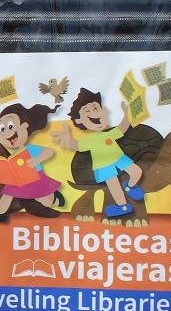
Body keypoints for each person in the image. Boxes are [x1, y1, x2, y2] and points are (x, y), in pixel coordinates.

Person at [53, 87, 145, 218]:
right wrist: (68, 140)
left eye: (95, 109)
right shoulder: (90, 140)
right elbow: (77, 146)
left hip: (119, 157)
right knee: (114, 187)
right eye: (87, 112)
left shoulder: (108, 134)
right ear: (79, 120)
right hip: (103, 166)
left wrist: (126, 115)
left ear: (104, 110)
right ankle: (123, 206)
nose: (94, 113)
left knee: (137, 172)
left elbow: (121, 129)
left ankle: (130, 186)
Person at [0, 102, 61, 223]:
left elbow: (49, 151)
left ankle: (56, 199)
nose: (6, 132)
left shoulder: (30, 149)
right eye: (2, 129)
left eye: (10, 126)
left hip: (35, 179)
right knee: (6, 196)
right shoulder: (13, 155)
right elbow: (6, 169)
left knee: (46, 201)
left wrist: (37, 159)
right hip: (17, 182)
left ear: (24, 126)